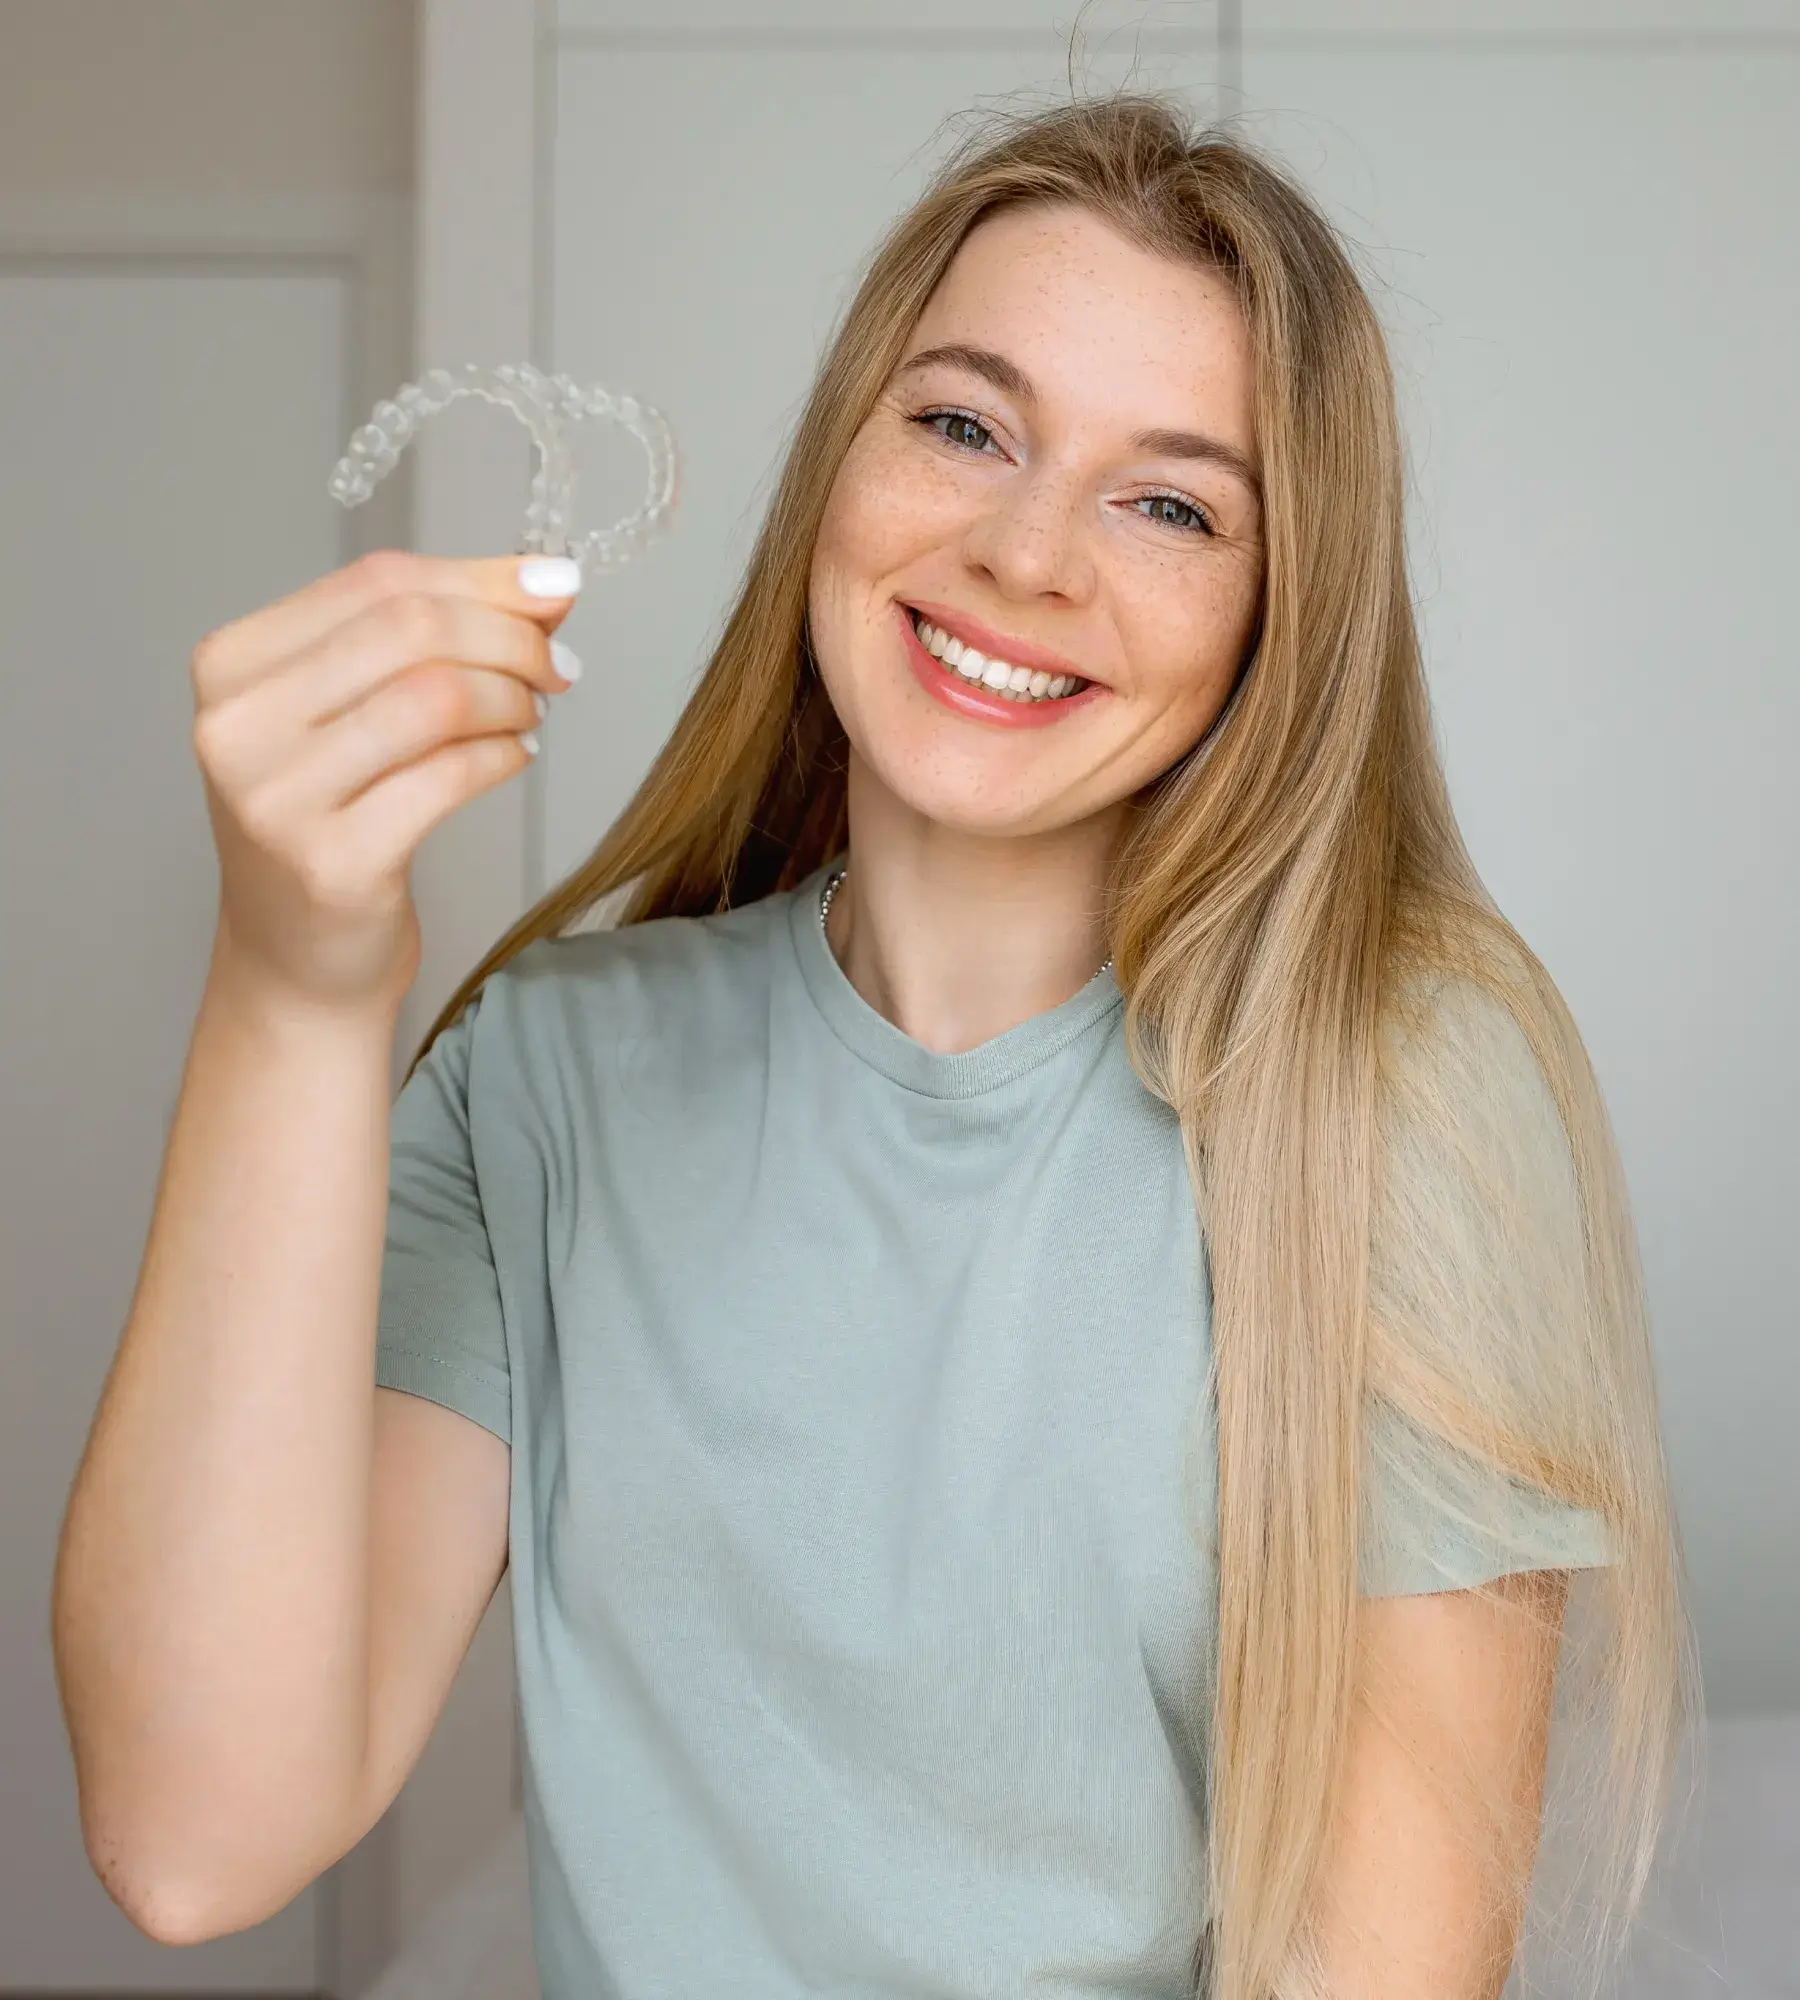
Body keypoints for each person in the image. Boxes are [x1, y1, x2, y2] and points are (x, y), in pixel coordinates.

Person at [52, 91, 1697, 2000]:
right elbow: (189, 1837)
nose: (1024, 552)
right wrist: (291, 985)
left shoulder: (1405, 1090)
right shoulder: (546, 1078)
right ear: (837, 466)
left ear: (1278, 620)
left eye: (1169, 502)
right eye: (962, 423)